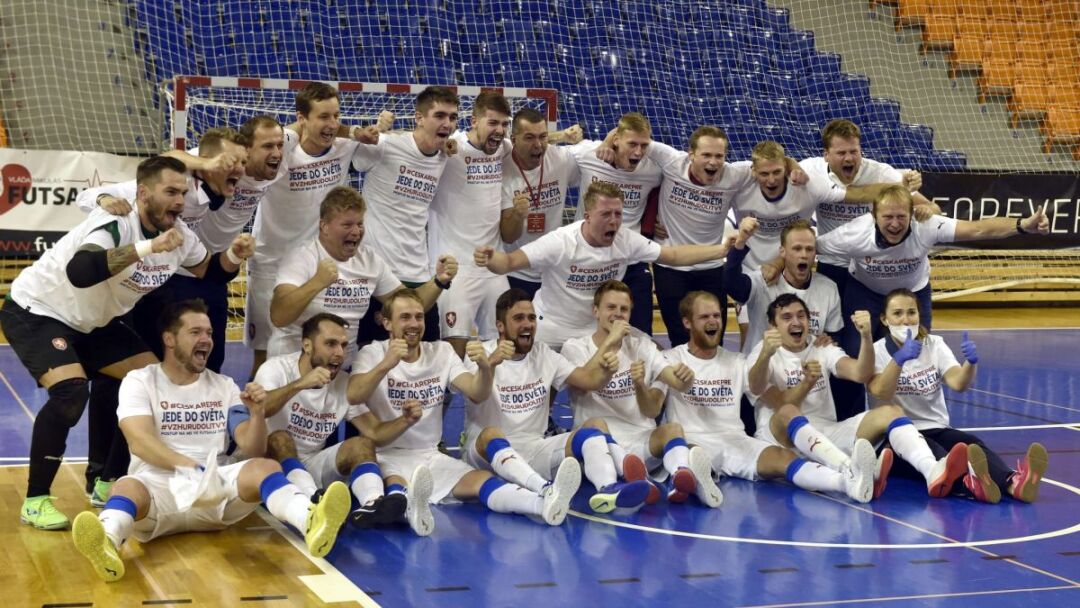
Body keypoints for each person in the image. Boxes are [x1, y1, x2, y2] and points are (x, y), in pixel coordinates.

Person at [2, 156, 253, 530]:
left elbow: (210, 271)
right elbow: (80, 272)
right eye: (170, 192)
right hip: (39, 309)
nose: (179, 201)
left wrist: (234, 254)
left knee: (153, 382)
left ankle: (109, 480)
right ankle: (36, 500)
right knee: (71, 392)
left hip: (95, 323)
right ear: (143, 194)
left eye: (183, 193)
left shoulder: (181, 236)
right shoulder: (116, 223)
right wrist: (148, 248)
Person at [69, 300, 350, 582]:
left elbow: (252, 447)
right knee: (125, 486)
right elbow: (140, 442)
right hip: (159, 492)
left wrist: (257, 415)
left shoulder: (224, 386)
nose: (206, 339)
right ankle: (107, 541)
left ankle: (310, 520)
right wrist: (190, 468)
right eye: (195, 332)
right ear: (169, 339)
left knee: (264, 467)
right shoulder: (140, 381)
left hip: (214, 493)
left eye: (210, 333)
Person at [346, 290, 579, 528]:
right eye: (405, 317)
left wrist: (487, 367)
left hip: (430, 456)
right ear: (387, 323)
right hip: (387, 456)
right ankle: (405, 505)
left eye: (419, 317)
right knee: (395, 486)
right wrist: (386, 364)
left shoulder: (441, 352)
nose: (414, 323)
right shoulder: (372, 353)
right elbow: (353, 395)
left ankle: (543, 503)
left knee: (482, 481)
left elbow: (477, 393)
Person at [748, 294, 971, 501]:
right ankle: (849, 469)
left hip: (826, 435)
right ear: (773, 326)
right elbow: (773, 398)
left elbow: (860, 373)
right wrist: (803, 381)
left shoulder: (821, 347)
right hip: (780, 439)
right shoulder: (762, 353)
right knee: (788, 412)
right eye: (786, 317)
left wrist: (865, 336)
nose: (796, 322)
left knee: (891, 412)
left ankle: (931, 470)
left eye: (801, 316)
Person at [658, 291, 876, 502]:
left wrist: (768, 356)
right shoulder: (669, 359)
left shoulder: (737, 361)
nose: (713, 321)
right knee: (690, 457)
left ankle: (847, 483)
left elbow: (757, 387)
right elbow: (652, 405)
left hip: (735, 440)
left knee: (784, 459)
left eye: (716, 315)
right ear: (687, 322)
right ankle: (691, 479)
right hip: (692, 441)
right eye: (704, 316)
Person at [476, 181, 735, 351]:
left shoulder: (625, 240)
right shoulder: (561, 242)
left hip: (598, 327)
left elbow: (673, 255)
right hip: (553, 326)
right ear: (587, 216)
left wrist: (721, 250)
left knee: (653, 354)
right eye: (606, 214)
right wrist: (491, 259)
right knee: (539, 386)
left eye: (618, 214)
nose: (614, 221)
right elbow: (509, 262)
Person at [461, 288, 653, 513]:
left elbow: (588, 379)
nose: (528, 324)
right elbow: (477, 394)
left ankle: (608, 489)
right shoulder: (481, 353)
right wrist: (490, 364)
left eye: (532, 318)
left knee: (591, 432)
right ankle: (545, 489)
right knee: (491, 433)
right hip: (485, 456)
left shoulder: (543, 354)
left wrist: (607, 372)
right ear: (500, 326)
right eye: (519, 318)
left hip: (533, 448)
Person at [246, 82, 386, 377]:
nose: (332, 124)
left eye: (336, 116)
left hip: (317, 267)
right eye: (323, 116)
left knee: (322, 352)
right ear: (301, 118)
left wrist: (365, 131)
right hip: (271, 264)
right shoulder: (283, 148)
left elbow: (374, 144)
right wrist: (350, 130)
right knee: (266, 358)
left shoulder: (344, 148)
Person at [431, 93, 583, 358]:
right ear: (474, 121)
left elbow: (529, 140)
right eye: (492, 123)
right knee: (453, 353)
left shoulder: (503, 149)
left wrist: (562, 136)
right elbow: (417, 141)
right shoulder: (452, 149)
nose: (499, 130)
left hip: (493, 266)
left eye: (504, 124)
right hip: (457, 269)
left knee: (506, 347)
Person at [816, 186, 1051, 357]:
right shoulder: (854, 234)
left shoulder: (926, 225)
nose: (895, 224)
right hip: (865, 291)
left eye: (901, 217)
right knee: (855, 351)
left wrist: (1023, 225)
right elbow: (810, 246)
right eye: (887, 217)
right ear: (873, 217)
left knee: (918, 351)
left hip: (914, 292)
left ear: (911, 215)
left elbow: (978, 229)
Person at [257, 312, 436, 533]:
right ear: (307, 345)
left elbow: (374, 432)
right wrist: (300, 384)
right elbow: (261, 408)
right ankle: (313, 504)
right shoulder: (276, 369)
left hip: (312, 465)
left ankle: (374, 503)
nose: (340, 353)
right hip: (269, 466)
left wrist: (405, 421)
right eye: (330, 344)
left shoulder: (343, 383)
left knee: (361, 443)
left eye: (343, 345)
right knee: (279, 438)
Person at [867, 289, 1047, 503]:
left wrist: (970, 363)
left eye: (911, 312)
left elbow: (958, 383)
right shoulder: (876, 351)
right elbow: (881, 391)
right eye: (897, 313)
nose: (906, 319)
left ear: (919, 315)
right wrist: (899, 359)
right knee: (940, 455)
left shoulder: (934, 344)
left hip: (935, 427)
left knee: (970, 444)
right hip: (895, 437)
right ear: (884, 319)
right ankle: (971, 486)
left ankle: (1013, 483)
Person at [562, 281, 724, 507]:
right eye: (611, 307)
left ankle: (680, 477)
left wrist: (685, 379)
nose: (618, 314)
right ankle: (635, 476)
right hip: (600, 448)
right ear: (595, 311)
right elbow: (583, 383)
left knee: (672, 429)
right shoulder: (575, 347)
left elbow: (673, 379)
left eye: (624, 309)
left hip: (640, 440)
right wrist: (611, 341)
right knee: (594, 424)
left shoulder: (642, 346)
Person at [644, 127, 805, 346]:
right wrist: (608, 142)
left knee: (713, 337)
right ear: (691, 154)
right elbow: (630, 134)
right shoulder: (671, 161)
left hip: (711, 267)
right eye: (706, 155)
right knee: (679, 338)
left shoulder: (735, 174)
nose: (713, 162)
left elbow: (773, 162)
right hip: (671, 268)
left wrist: (794, 166)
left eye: (719, 156)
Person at [268, 185, 456, 363]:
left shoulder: (369, 261)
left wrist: (439, 281)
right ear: (324, 227)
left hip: (340, 369)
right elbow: (278, 316)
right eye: (347, 225)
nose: (356, 231)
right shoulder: (302, 258)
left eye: (360, 224)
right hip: (294, 364)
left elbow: (410, 303)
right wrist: (317, 282)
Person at [352, 86, 461, 344]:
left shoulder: (445, 155)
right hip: (377, 276)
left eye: (453, 117)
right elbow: (353, 157)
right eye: (440, 116)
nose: (447, 123)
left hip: (419, 275)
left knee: (428, 357)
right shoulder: (385, 146)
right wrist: (375, 129)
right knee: (372, 359)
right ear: (419, 118)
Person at [798, 119, 933, 299]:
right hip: (832, 261)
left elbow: (930, 206)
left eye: (854, 151)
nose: (849, 158)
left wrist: (924, 208)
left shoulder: (880, 173)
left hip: (870, 264)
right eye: (841, 153)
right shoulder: (811, 169)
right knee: (830, 316)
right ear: (826, 155)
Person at [568, 113, 664, 334]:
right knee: (586, 329)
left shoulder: (653, 169)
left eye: (644, 146)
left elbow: (678, 181)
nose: (638, 152)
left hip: (631, 257)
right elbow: (545, 149)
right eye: (632, 144)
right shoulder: (589, 154)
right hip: (589, 256)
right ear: (617, 140)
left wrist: (659, 217)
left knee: (639, 332)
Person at [724, 218, 842, 356]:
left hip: (805, 367)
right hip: (762, 365)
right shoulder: (763, 280)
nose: (804, 255)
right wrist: (740, 242)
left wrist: (829, 340)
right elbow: (731, 285)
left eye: (809, 249)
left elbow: (835, 336)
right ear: (782, 252)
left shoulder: (829, 288)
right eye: (797, 249)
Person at [500, 108, 582, 298]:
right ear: (513, 140)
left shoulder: (561, 158)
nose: (538, 145)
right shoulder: (502, 171)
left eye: (543, 137)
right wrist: (517, 215)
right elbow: (508, 236)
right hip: (516, 272)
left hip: (554, 269)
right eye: (529, 138)